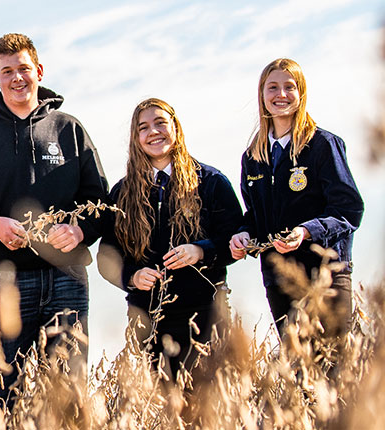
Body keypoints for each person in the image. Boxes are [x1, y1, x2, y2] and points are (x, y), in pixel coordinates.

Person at [0, 33, 109, 398]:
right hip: (3, 281)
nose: (17, 77)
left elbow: (99, 201)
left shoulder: (69, 129)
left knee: (68, 396)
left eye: (24, 69)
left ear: (40, 71)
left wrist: (79, 232)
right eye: (7, 71)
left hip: (66, 278)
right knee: (1, 394)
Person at [101, 98, 242, 378]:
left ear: (175, 127)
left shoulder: (211, 182)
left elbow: (236, 240)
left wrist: (201, 251)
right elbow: (106, 257)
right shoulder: (121, 193)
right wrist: (131, 276)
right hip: (148, 321)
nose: (153, 131)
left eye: (160, 123)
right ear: (135, 138)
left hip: (206, 316)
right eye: (143, 127)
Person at [229, 58, 363, 338]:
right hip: (280, 281)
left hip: (325, 275)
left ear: (301, 93)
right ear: (262, 94)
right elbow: (255, 216)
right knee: (299, 373)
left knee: (332, 369)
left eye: (289, 87)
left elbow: (348, 210)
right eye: (272, 87)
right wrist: (242, 234)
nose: (281, 95)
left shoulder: (323, 145)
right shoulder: (253, 157)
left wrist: (306, 232)